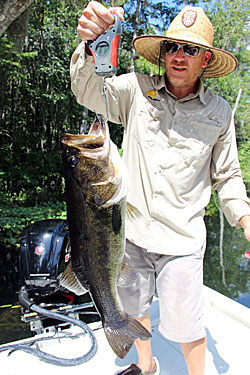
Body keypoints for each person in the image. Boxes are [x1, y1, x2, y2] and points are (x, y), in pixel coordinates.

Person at [70, 2, 250, 374]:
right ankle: (146, 365)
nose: (179, 56)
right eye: (172, 47)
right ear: (162, 54)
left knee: (187, 325)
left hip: (182, 241)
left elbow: (228, 176)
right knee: (134, 308)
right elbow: (88, 92)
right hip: (130, 235)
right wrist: (90, 45)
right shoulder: (134, 90)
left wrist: (246, 219)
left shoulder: (220, 113)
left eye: (191, 49)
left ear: (206, 60)